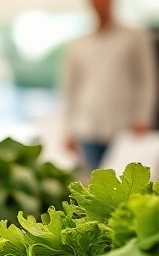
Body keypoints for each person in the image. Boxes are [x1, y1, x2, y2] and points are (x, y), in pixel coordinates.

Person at [62, 0, 158, 170]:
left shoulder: (135, 37)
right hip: (88, 128)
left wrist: (143, 116)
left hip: (125, 127)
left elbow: (147, 80)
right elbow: (70, 89)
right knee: (97, 186)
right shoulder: (79, 44)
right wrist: (68, 129)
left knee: (125, 184)